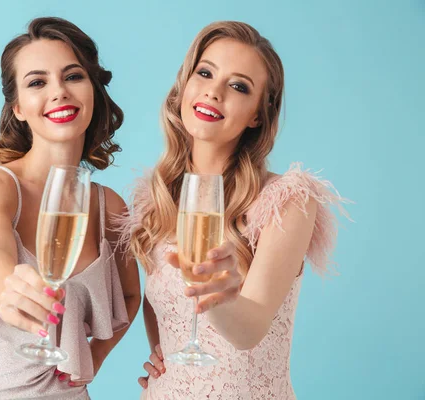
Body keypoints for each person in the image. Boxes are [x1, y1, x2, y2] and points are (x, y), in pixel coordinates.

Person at [118, 21, 349, 399]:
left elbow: (249, 329)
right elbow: (157, 302)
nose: (214, 91)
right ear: (185, 85)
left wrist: (221, 295)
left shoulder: (287, 200)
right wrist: (164, 357)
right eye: (205, 72)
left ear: (258, 114)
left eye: (239, 86)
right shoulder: (154, 200)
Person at [0, 17, 141, 399]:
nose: (58, 92)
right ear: (19, 108)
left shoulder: (108, 206)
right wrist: (8, 289)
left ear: (93, 90)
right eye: (37, 82)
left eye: (73, 76)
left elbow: (129, 297)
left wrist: (96, 354)